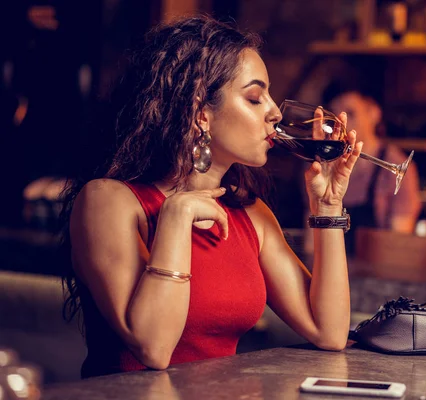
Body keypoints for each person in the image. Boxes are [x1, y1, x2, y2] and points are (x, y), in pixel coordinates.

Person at [61, 15, 364, 378]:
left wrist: (328, 206)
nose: (275, 112)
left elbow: (328, 332)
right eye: (254, 98)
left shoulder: (250, 214)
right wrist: (176, 217)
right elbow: (154, 349)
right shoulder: (108, 201)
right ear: (200, 115)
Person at [305, 80, 422, 255]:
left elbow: (398, 244)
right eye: (335, 120)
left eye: (351, 114)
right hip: (331, 266)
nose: (342, 128)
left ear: (374, 113)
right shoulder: (323, 166)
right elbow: (312, 239)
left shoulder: (396, 167)